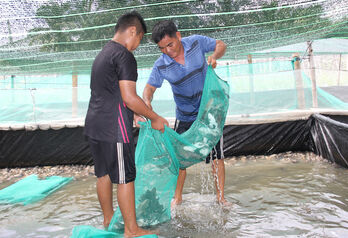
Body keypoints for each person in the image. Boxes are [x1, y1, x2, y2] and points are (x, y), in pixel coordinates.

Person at [84, 11, 168, 237]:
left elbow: (110, 94)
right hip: (114, 128)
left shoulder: (103, 53)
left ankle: (108, 220)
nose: (137, 45)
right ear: (133, 31)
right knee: (125, 177)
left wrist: (132, 115)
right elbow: (129, 97)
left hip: (94, 124)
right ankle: (132, 230)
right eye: (139, 39)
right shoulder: (124, 55)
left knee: (103, 175)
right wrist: (155, 117)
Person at [142, 20, 229, 206]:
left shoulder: (196, 42)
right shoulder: (161, 65)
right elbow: (149, 88)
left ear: (178, 36)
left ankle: (221, 198)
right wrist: (147, 100)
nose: (168, 51)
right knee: (178, 158)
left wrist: (215, 56)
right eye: (162, 48)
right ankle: (177, 198)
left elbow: (221, 45)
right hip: (185, 115)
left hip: (209, 111)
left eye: (170, 44)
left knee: (217, 156)